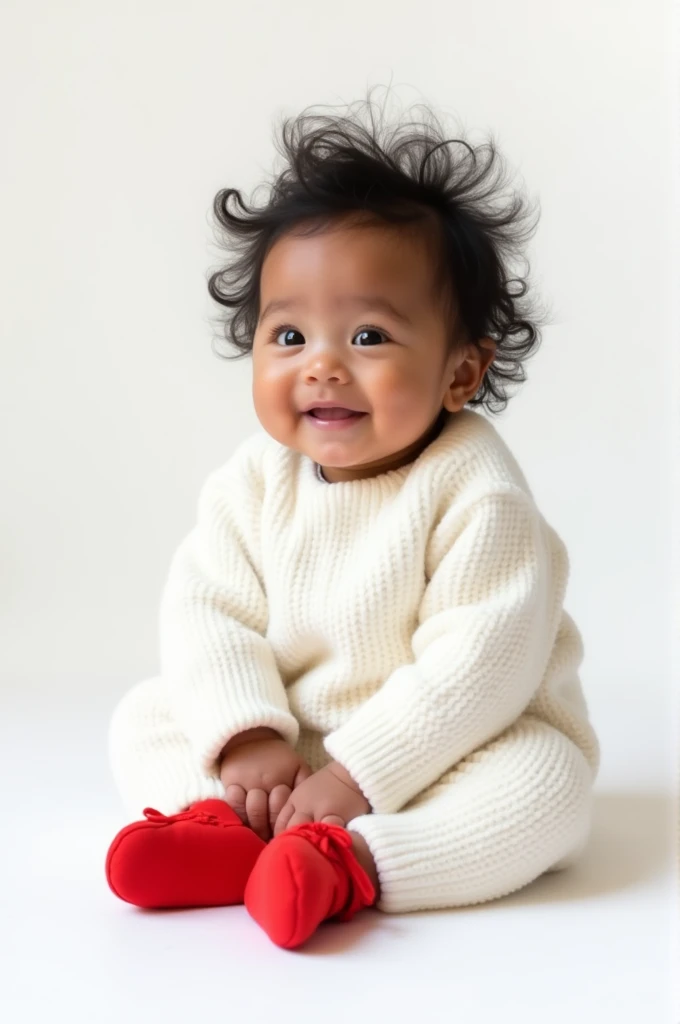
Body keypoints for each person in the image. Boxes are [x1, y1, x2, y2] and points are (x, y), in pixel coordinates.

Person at [105, 93, 600, 950]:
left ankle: (349, 863)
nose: (323, 366)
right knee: (151, 710)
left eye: (369, 337)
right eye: (288, 335)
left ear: (461, 371)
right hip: (288, 747)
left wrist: (359, 779)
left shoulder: (478, 491)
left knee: (546, 787)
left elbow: (478, 666)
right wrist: (250, 735)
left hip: (447, 750)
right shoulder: (254, 480)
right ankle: (221, 831)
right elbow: (207, 612)